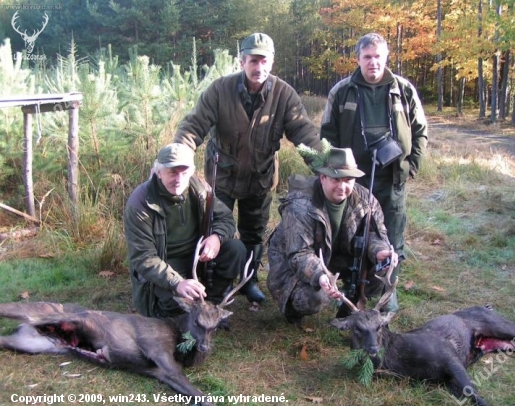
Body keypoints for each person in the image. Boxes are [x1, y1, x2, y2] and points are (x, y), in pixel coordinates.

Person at [174, 32, 322, 307]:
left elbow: (304, 134)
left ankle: (249, 280)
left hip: (260, 178)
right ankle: (217, 282)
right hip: (222, 178)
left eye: (264, 61)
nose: (259, 67)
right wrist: (179, 159)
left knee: (254, 233)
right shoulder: (219, 90)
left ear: (272, 62)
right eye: (253, 60)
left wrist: (324, 167)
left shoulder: (283, 94)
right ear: (242, 61)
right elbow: (193, 127)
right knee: (215, 230)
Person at [320, 33, 428, 311]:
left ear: (386, 58)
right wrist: (336, 175)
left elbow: (420, 132)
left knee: (391, 241)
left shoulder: (403, 89)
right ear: (357, 59)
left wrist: (409, 167)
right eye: (367, 57)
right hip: (352, 183)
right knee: (353, 238)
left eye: (378, 56)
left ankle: (384, 295)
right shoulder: (341, 91)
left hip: (391, 181)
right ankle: (353, 294)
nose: (373, 62)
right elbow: (327, 135)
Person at [267, 147, 397, 325]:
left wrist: (380, 251)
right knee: (315, 297)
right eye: (336, 179)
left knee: (380, 268)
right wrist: (321, 276)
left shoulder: (365, 199)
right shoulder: (300, 205)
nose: (342, 186)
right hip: (291, 265)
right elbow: (299, 254)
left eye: (348, 179)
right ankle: (292, 308)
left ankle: (351, 303)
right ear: (323, 178)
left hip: (334, 256)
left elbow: (376, 232)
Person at [124, 143, 246, 318]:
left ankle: (212, 305)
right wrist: (177, 283)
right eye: (172, 172)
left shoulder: (200, 190)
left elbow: (226, 218)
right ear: (158, 172)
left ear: (192, 171)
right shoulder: (140, 203)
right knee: (175, 303)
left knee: (236, 249)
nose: (179, 179)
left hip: (198, 257)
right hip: (165, 263)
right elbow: (143, 258)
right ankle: (185, 309)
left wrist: (216, 238)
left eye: (184, 172)